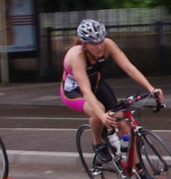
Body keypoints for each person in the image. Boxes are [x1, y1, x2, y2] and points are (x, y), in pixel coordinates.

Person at [60, 19, 163, 160]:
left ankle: (138, 171)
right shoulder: (76, 55)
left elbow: (128, 67)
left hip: (97, 84)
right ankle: (98, 143)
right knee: (99, 110)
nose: (99, 47)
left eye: (101, 41)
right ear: (84, 44)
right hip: (74, 91)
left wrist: (151, 88)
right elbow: (86, 90)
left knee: (124, 126)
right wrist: (102, 116)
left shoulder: (107, 45)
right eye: (94, 43)